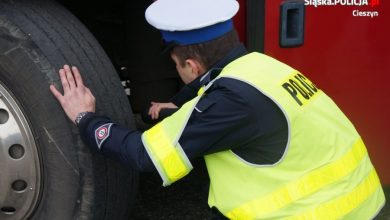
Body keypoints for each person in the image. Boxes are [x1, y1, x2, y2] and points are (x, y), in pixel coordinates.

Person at [50, 0, 386, 219]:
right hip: (357, 204)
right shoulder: (262, 66)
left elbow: (144, 156)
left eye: (177, 67)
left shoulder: (230, 104)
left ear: (192, 66)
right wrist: (177, 106)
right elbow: (218, 92)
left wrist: (85, 117)